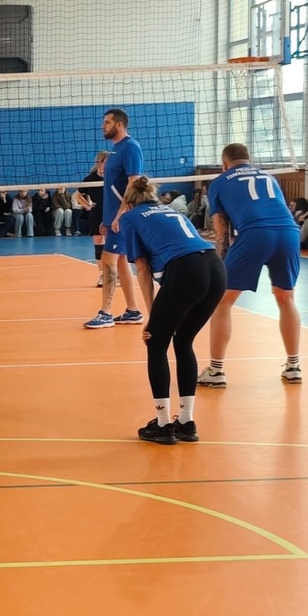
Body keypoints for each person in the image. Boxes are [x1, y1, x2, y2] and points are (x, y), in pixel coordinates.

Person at [117, 176, 226, 444]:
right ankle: (186, 421)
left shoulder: (130, 218)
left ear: (128, 204)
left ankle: (163, 424)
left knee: (155, 342)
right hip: (215, 267)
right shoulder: (170, 210)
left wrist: (152, 316)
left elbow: (142, 269)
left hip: (187, 269)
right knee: (183, 340)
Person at [197, 143, 302, 386]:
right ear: (249, 159)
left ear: (224, 164)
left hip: (255, 234)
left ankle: (216, 371)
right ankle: (294, 366)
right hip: (289, 232)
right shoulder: (268, 177)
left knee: (222, 300)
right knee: (286, 298)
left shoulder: (220, 182)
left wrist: (219, 265)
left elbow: (221, 231)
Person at [83, 110, 144, 328]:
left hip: (124, 217)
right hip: (113, 218)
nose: (103, 126)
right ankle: (133, 311)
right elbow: (112, 188)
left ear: (119, 125)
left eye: (107, 122)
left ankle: (105, 313)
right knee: (120, 261)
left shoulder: (130, 147)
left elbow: (134, 183)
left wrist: (120, 215)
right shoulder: (115, 150)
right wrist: (107, 219)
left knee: (108, 260)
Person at [78, 150, 108, 279]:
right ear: (99, 162)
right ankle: (102, 274)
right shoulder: (90, 179)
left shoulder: (114, 176)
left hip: (111, 212)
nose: (105, 164)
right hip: (97, 213)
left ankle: (114, 273)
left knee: (113, 245)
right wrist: (88, 206)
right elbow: (77, 195)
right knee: (99, 245)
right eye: (103, 162)